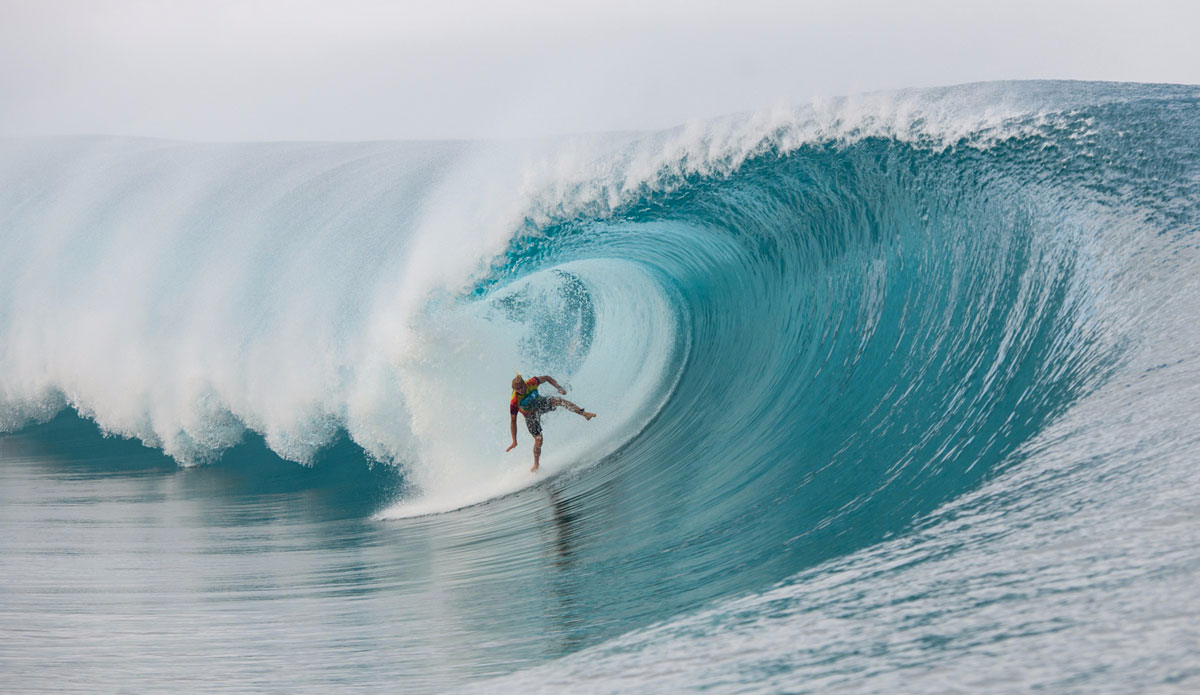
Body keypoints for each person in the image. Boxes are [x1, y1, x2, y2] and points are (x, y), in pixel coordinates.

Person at [506, 373, 595, 472]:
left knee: (559, 401)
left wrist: (559, 388)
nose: (521, 390)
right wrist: (514, 440)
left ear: (524, 384)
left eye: (521, 387)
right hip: (530, 416)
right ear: (514, 389)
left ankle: (584, 414)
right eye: (517, 389)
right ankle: (536, 464)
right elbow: (513, 421)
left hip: (540, 403)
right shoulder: (514, 402)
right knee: (539, 440)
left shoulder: (531, 382)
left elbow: (547, 378)